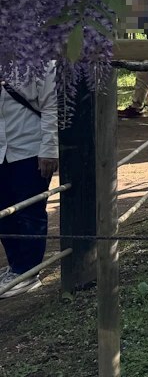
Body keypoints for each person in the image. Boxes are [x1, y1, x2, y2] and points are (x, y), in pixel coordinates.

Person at [0, 61, 58, 298]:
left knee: (30, 211)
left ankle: (28, 272)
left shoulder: (40, 59)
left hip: (30, 148)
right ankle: (16, 267)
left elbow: (51, 106)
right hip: (1, 150)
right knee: (4, 212)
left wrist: (49, 149)